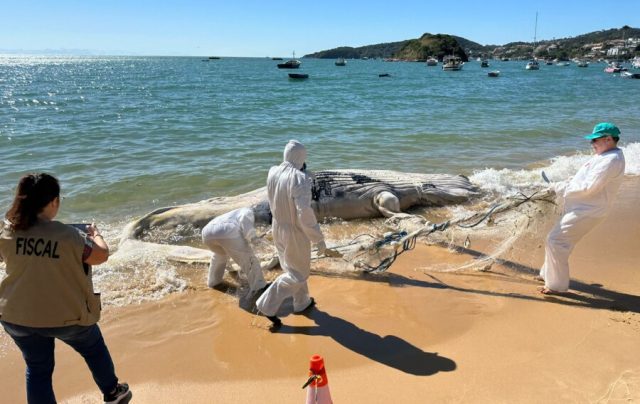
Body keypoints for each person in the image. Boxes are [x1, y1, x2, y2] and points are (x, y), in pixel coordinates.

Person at [0, 173, 132, 404]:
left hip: (15, 315)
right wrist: (96, 234)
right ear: (53, 202)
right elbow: (101, 256)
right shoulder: (69, 236)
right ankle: (112, 392)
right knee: (93, 348)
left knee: (38, 368)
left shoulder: (7, 232)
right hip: (67, 317)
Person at [539, 123, 626, 294]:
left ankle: (556, 286)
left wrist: (559, 188)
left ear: (608, 139)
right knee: (561, 240)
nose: (592, 143)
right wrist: (566, 183)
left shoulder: (611, 160)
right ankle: (547, 274)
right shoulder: (604, 155)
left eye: (595, 140)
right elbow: (585, 178)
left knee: (556, 240)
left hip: (588, 210)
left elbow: (589, 188)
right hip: (580, 206)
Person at [256, 140, 327, 329]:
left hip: (277, 226)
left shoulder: (273, 172)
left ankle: (301, 302)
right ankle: (266, 305)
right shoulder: (300, 178)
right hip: (294, 231)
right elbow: (304, 213)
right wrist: (318, 238)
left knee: (291, 266)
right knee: (298, 273)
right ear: (301, 158)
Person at [201, 207, 268, 293]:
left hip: (206, 234)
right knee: (249, 260)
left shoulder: (233, 213)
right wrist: (254, 238)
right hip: (227, 231)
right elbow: (245, 220)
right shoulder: (248, 211)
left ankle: (213, 282)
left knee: (220, 255)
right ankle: (259, 287)